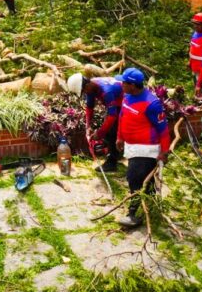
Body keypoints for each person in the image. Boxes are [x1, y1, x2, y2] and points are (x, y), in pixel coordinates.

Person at [114, 68, 170, 228]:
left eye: (124, 82)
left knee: (134, 178)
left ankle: (132, 214)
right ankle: (151, 205)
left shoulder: (152, 103)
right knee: (146, 179)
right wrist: (120, 136)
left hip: (147, 148)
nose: (121, 84)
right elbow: (122, 116)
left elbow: (163, 130)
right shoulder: (127, 96)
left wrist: (164, 152)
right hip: (131, 146)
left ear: (133, 85)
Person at [68, 74, 123, 172]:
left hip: (126, 102)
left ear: (86, 85)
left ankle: (112, 162)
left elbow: (112, 116)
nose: (85, 93)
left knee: (111, 131)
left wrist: (100, 133)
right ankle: (115, 154)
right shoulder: (91, 87)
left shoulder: (106, 91)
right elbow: (89, 107)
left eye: (84, 91)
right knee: (108, 130)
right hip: (116, 102)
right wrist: (88, 126)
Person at [189, 12, 202, 85]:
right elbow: (192, 48)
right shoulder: (195, 34)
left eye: (198, 24)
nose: (195, 26)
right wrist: (190, 62)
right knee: (196, 86)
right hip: (195, 67)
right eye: (194, 24)